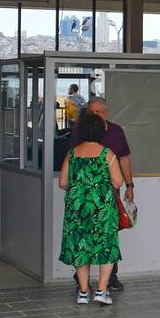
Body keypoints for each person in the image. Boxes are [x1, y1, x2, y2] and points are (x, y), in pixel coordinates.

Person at [59, 111, 124, 306]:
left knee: (80, 248)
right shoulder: (107, 154)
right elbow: (118, 181)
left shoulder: (72, 154)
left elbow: (63, 182)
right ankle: (102, 291)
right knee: (106, 247)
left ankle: (83, 292)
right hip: (102, 209)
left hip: (77, 209)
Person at [69, 97, 132, 292]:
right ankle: (82, 279)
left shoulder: (116, 131)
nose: (93, 115)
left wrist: (130, 185)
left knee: (109, 235)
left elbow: (124, 160)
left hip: (109, 194)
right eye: (91, 112)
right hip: (83, 197)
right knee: (83, 235)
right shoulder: (80, 131)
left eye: (97, 112)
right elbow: (70, 163)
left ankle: (111, 276)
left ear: (106, 112)